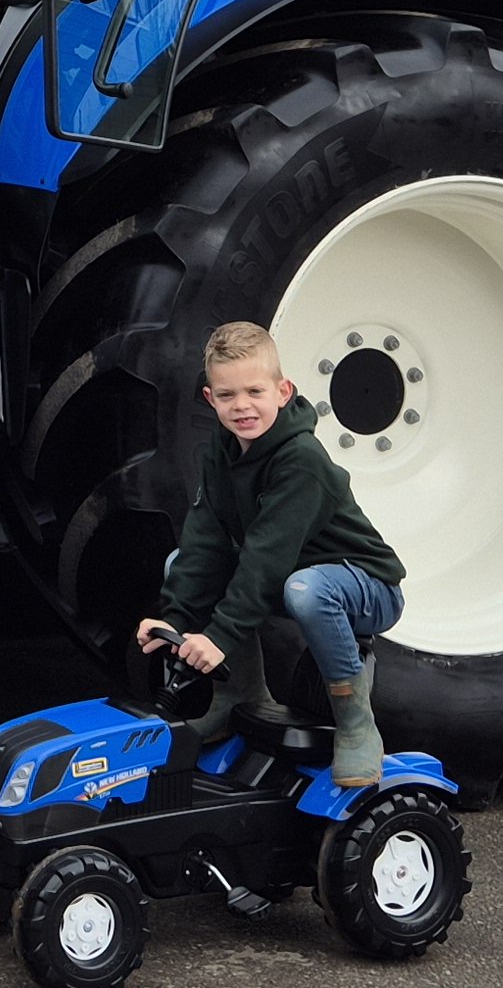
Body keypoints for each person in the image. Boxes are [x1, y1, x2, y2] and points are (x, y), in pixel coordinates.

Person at [135, 320, 409, 783]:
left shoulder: (301, 460)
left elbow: (266, 557)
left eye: (255, 392)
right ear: (210, 399)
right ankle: (239, 699)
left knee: (307, 589)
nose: (242, 406)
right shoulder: (222, 450)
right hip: (294, 576)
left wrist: (218, 638)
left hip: (364, 585)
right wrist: (176, 619)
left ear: (283, 392)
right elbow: (205, 538)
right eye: (227, 395)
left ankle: (356, 723)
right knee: (178, 563)